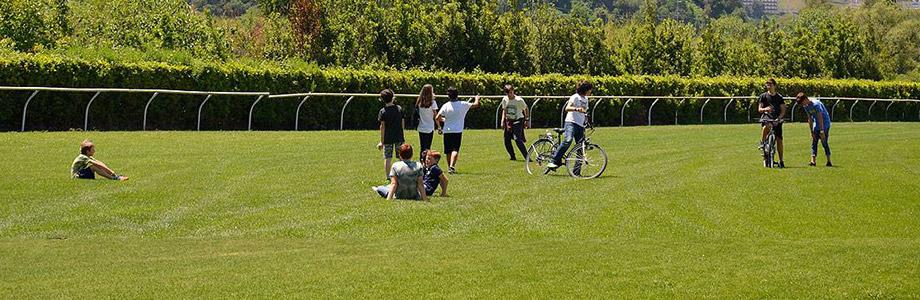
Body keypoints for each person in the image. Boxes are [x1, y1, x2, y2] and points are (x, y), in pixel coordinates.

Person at [546, 81, 592, 171]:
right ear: (585, 89)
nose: (591, 91)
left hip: (580, 125)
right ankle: (553, 160)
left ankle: (576, 172)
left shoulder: (586, 99)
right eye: (590, 89)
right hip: (571, 122)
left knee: (580, 148)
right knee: (568, 140)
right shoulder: (575, 97)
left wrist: (587, 121)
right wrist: (576, 109)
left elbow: (585, 111)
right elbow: (567, 108)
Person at [435, 87, 481, 174]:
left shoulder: (446, 105)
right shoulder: (463, 104)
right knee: (455, 149)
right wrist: (477, 98)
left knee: (448, 151)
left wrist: (442, 124)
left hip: (447, 131)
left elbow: (437, 118)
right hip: (457, 131)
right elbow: (476, 105)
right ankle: (452, 166)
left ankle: (450, 167)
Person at [795, 92, 832, 167]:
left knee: (824, 142)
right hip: (816, 123)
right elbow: (809, 118)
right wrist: (811, 131)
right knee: (814, 142)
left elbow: (820, 117)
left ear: (806, 99)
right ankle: (813, 161)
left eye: (802, 103)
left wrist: (822, 131)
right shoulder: (806, 106)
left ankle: (829, 160)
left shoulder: (816, 104)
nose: (803, 105)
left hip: (825, 124)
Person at [758, 78, 787, 168]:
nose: (768, 85)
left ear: (774, 85)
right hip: (767, 116)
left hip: (777, 118)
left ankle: (781, 160)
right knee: (766, 125)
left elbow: (783, 110)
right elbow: (759, 109)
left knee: (779, 140)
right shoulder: (763, 96)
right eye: (767, 84)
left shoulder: (779, 97)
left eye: (770, 84)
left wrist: (779, 118)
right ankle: (762, 143)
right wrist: (765, 109)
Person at [376, 89, 405, 180]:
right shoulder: (399, 109)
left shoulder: (383, 111)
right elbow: (402, 123)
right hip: (398, 136)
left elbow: (382, 127)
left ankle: (388, 176)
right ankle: (403, 173)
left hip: (388, 137)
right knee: (401, 156)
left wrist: (381, 141)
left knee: (388, 157)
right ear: (393, 98)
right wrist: (402, 133)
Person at [500, 84, 529, 161]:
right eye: (507, 93)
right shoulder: (505, 99)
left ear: (513, 91)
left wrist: (526, 120)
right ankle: (512, 156)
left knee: (517, 139)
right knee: (507, 140)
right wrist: (502, 120)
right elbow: (504, 110)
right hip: (509, 121)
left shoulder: (519, 100)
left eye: (510, 92)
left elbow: (525, 109)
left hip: (518, 121)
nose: (509, 95)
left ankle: (527, 157)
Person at [416, 84, 439, 159]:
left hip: (421, 127)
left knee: (422, 147)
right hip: (430, 127)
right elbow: (436, 116)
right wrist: (439, 126)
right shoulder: (432, 103)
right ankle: (426, 163)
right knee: (428, 147)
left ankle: (422, 162)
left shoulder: (419, 101)